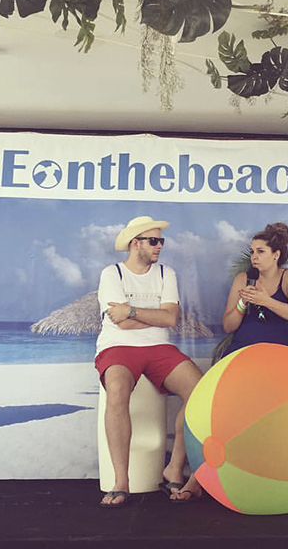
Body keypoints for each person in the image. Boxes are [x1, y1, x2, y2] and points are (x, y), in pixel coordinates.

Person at [95, 215, 202, 507]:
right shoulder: (112, 273)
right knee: (116, 391)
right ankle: (121, 481)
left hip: (159, 348)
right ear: (135, 243)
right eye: (154, 241)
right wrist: (145, 316)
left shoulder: (167, 273)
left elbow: (170, 318)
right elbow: (121, 326)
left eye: (161, 241)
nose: (159, 247)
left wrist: (131, 311)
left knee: (201, 392)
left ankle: (174, 467)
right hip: (117, 347)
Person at [220, 222, 288, 357]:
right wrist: (243, 302)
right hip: (243, 352)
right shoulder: (242, 278)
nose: (254, 256)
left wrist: (266, 301)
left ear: (276, 255)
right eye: (252, 252)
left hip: (280, 353)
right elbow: (228, 326)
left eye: (260, 251)